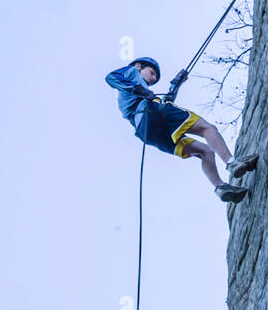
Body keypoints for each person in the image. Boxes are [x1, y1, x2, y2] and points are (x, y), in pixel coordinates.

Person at [105, 57, 258, 203]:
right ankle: (232, 162)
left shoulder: (134, 94)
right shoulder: (132, 73)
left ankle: (220, 187)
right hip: (152, 112)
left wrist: (175, 85)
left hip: (148, 132)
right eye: (152, 73)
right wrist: (144, 92)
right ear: (139, 66)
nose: (153, 79)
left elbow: (165, 100)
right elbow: (112, 77)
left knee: (206, 152)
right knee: (207, 129)